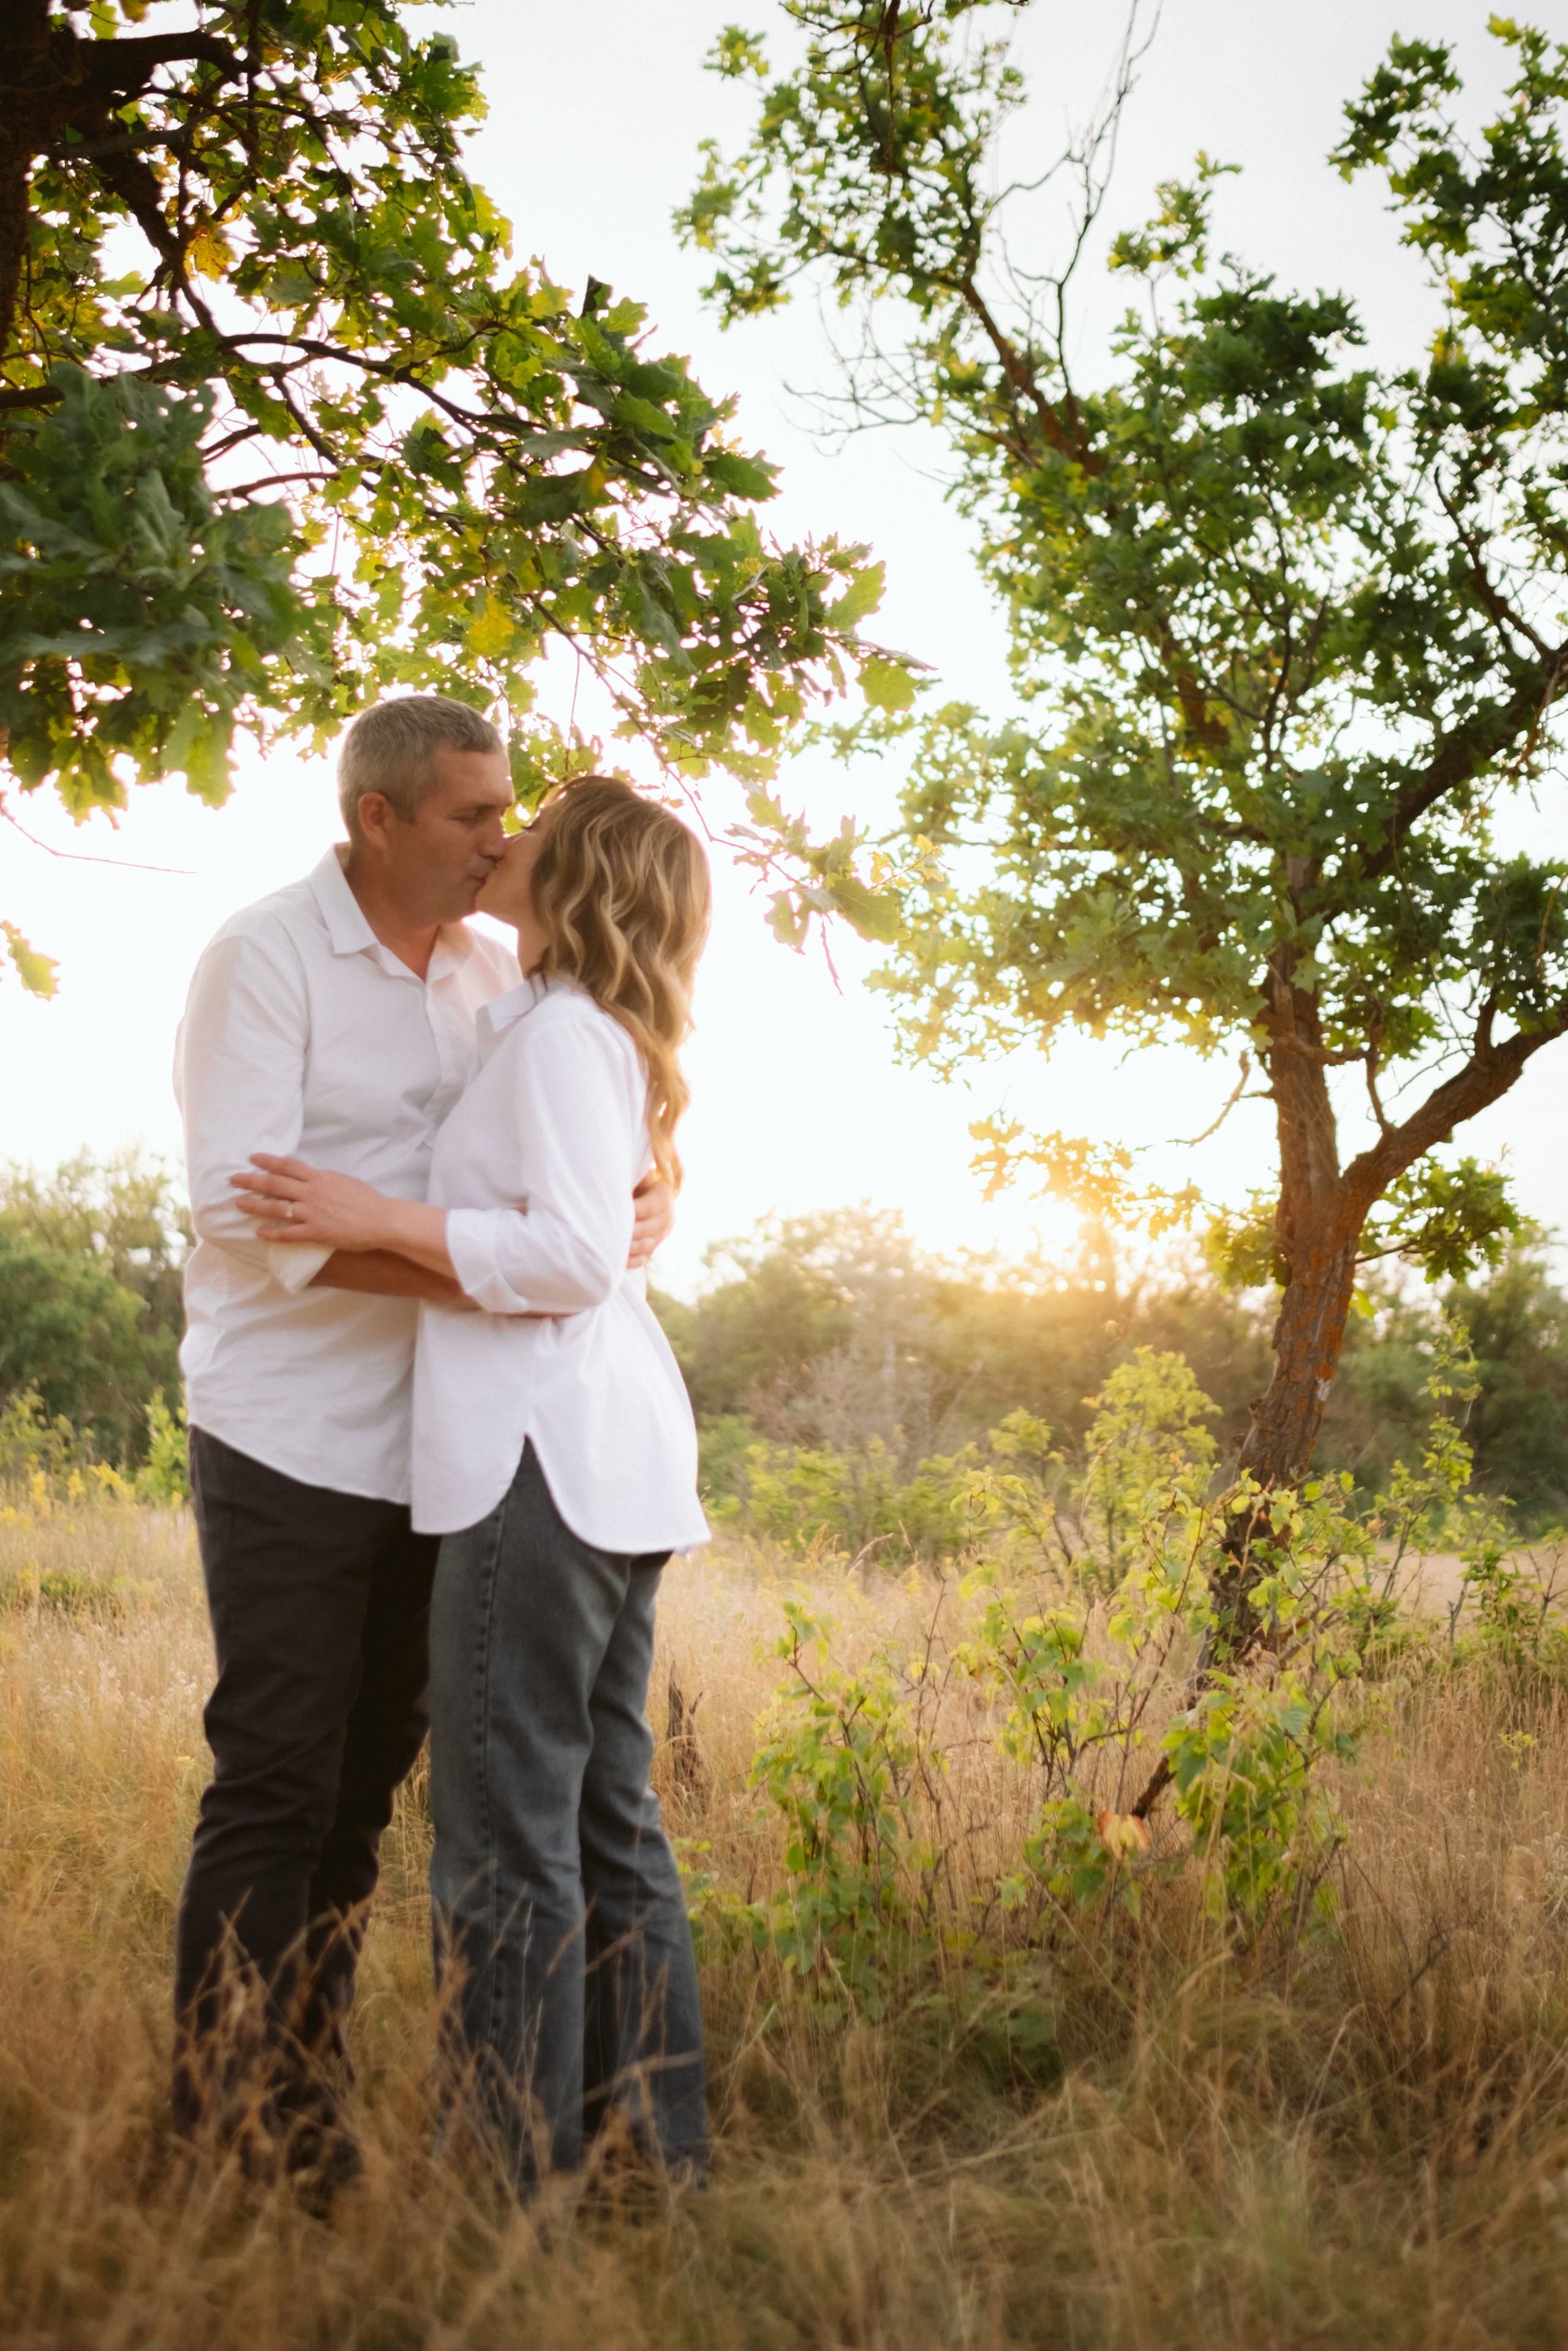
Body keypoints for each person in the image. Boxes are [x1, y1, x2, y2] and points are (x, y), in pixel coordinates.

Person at [172, 703, 673, 2182]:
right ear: (376, 819)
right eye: (469, 816)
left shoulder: (492, 961)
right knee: (275, 1773)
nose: (500, 839)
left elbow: (567, 1174)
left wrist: (638, 1207)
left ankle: (307, 2116)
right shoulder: (263, 957)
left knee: (370, 1788)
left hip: (448, 1445)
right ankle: (225, 2134)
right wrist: (520, 1260)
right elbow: (250, 1219)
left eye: (506, 812)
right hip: (288, 1428)